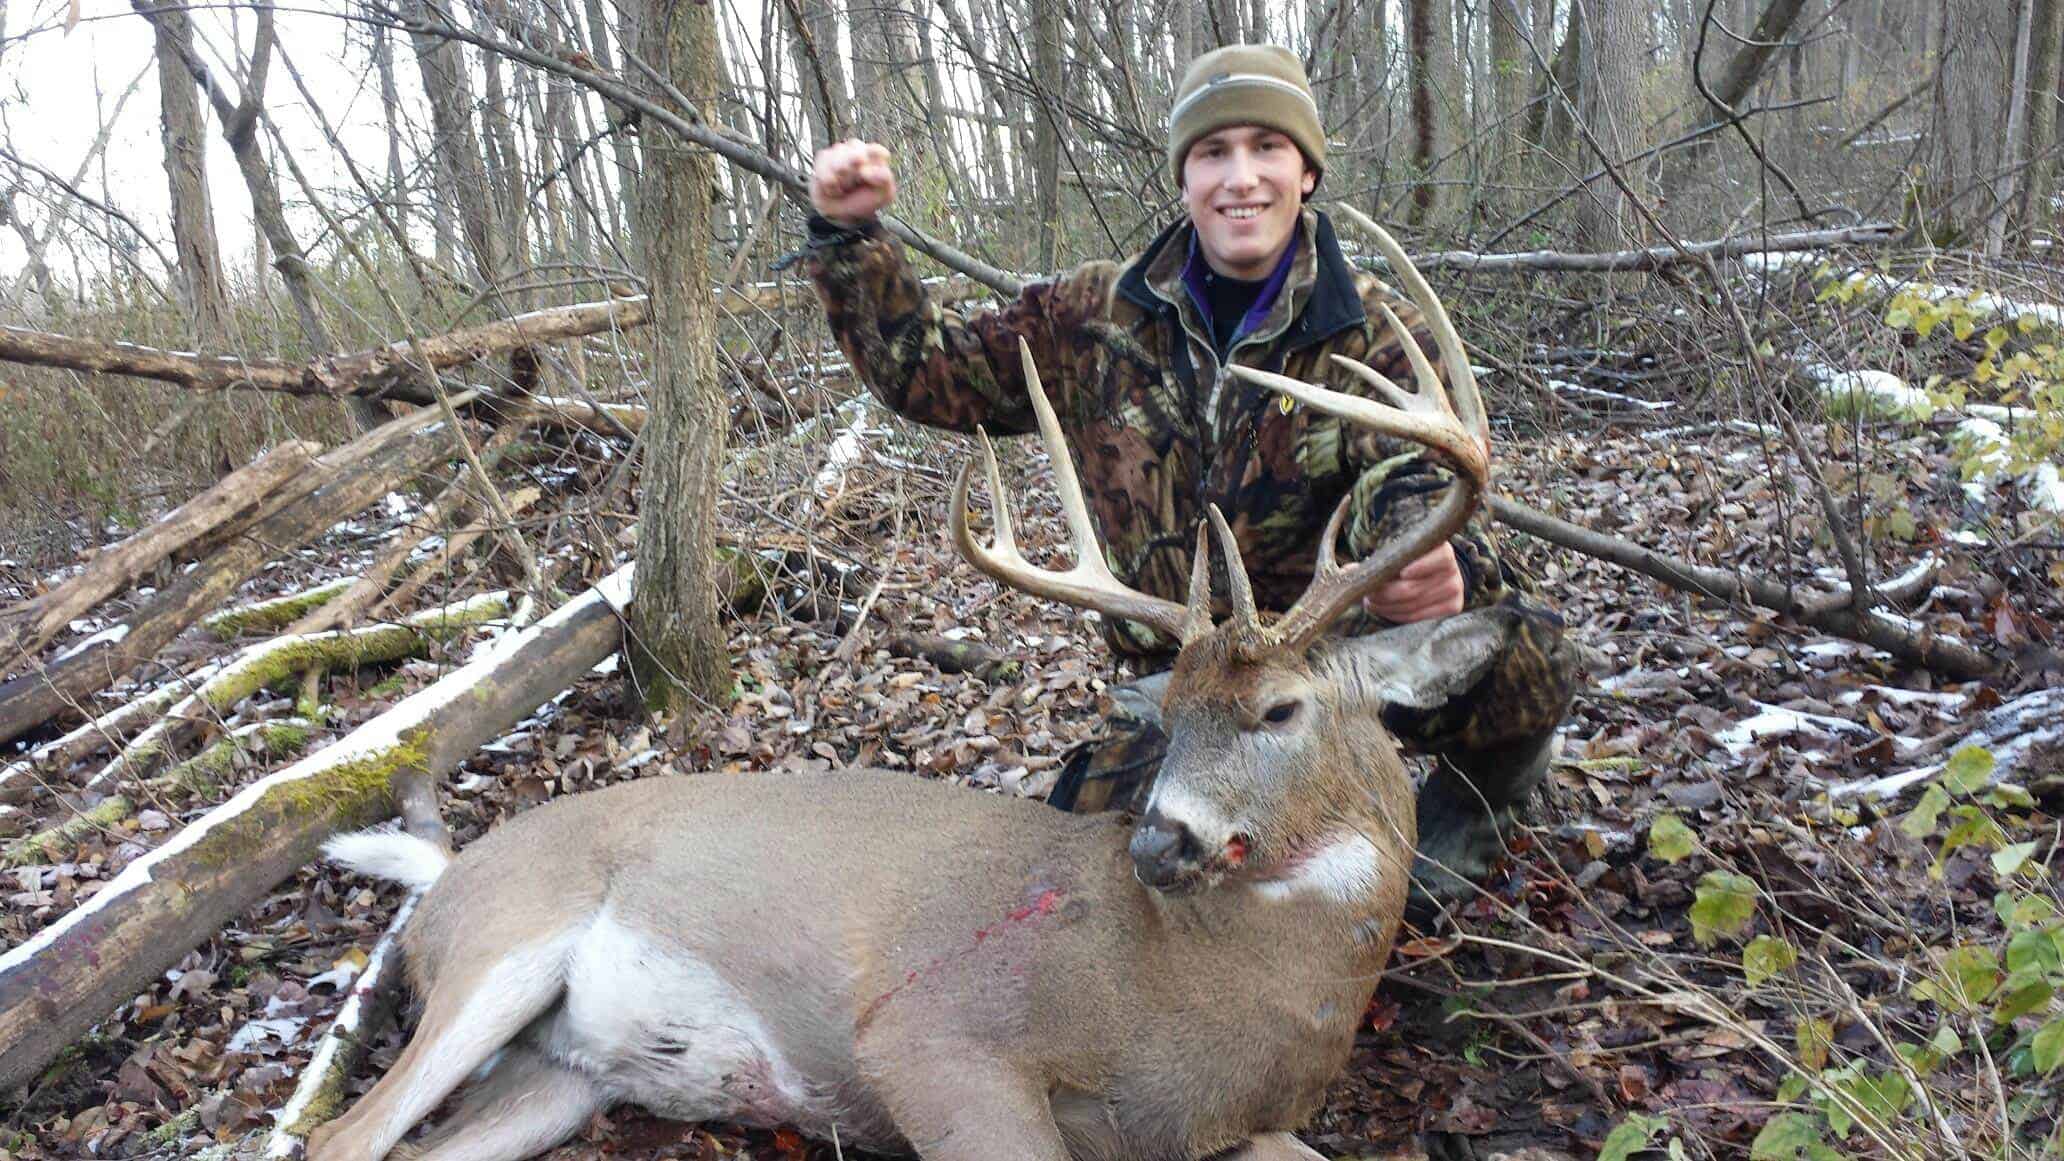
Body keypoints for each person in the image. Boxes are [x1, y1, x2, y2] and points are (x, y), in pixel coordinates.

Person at [802, 44, 1576, 915]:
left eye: (1266, 148)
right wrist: (850, 238)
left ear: (1307, 172)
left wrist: (1430, 565)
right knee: (1077, 906)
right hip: (1177, 693)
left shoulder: (1373, 337)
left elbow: (1416, 479)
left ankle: (1446, 842)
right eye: (1213, 153)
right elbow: (927, 374)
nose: (1240, 177)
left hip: (1322, 684)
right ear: (1182, 179)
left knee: (1528, 660)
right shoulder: (1089, 317)